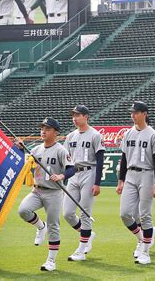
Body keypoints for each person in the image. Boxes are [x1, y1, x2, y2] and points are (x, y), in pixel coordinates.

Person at [17, 118, 75, 272]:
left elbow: (71, 169)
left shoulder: (61, 150)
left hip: (54, 192)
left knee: (53, 225)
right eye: (42, 128)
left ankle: (51, 261)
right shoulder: (35, 149)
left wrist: (61, 176)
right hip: (37, 190)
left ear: (56, 132)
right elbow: (26, 165)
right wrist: (21, 149)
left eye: (47, 129)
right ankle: (40, 227)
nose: (43, 131)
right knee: (23, 210)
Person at [116, 101, 155, 265]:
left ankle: (146, 252)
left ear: (144, 114)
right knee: (125, 214)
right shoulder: (128, 133)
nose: (133, 115)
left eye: (136, 112)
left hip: (147, 174)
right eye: (132, 113)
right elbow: (123, 159)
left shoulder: (153, 134)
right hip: (130, 174)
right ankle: (142, 239)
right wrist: (120, 180)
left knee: (144, 215)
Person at [63, 105, 104, 261]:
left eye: (78, 115)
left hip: (89, 171)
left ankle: (81, 250)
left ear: (86, 116)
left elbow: (100, 160)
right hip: (74, 174)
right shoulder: (70, 136)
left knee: (85, 212)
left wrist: (97, 183)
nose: (75, 118)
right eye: (73, 115)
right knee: (67, 213)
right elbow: (66, 161)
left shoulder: (95, 135)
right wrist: (63, 177)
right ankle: (87, 234)